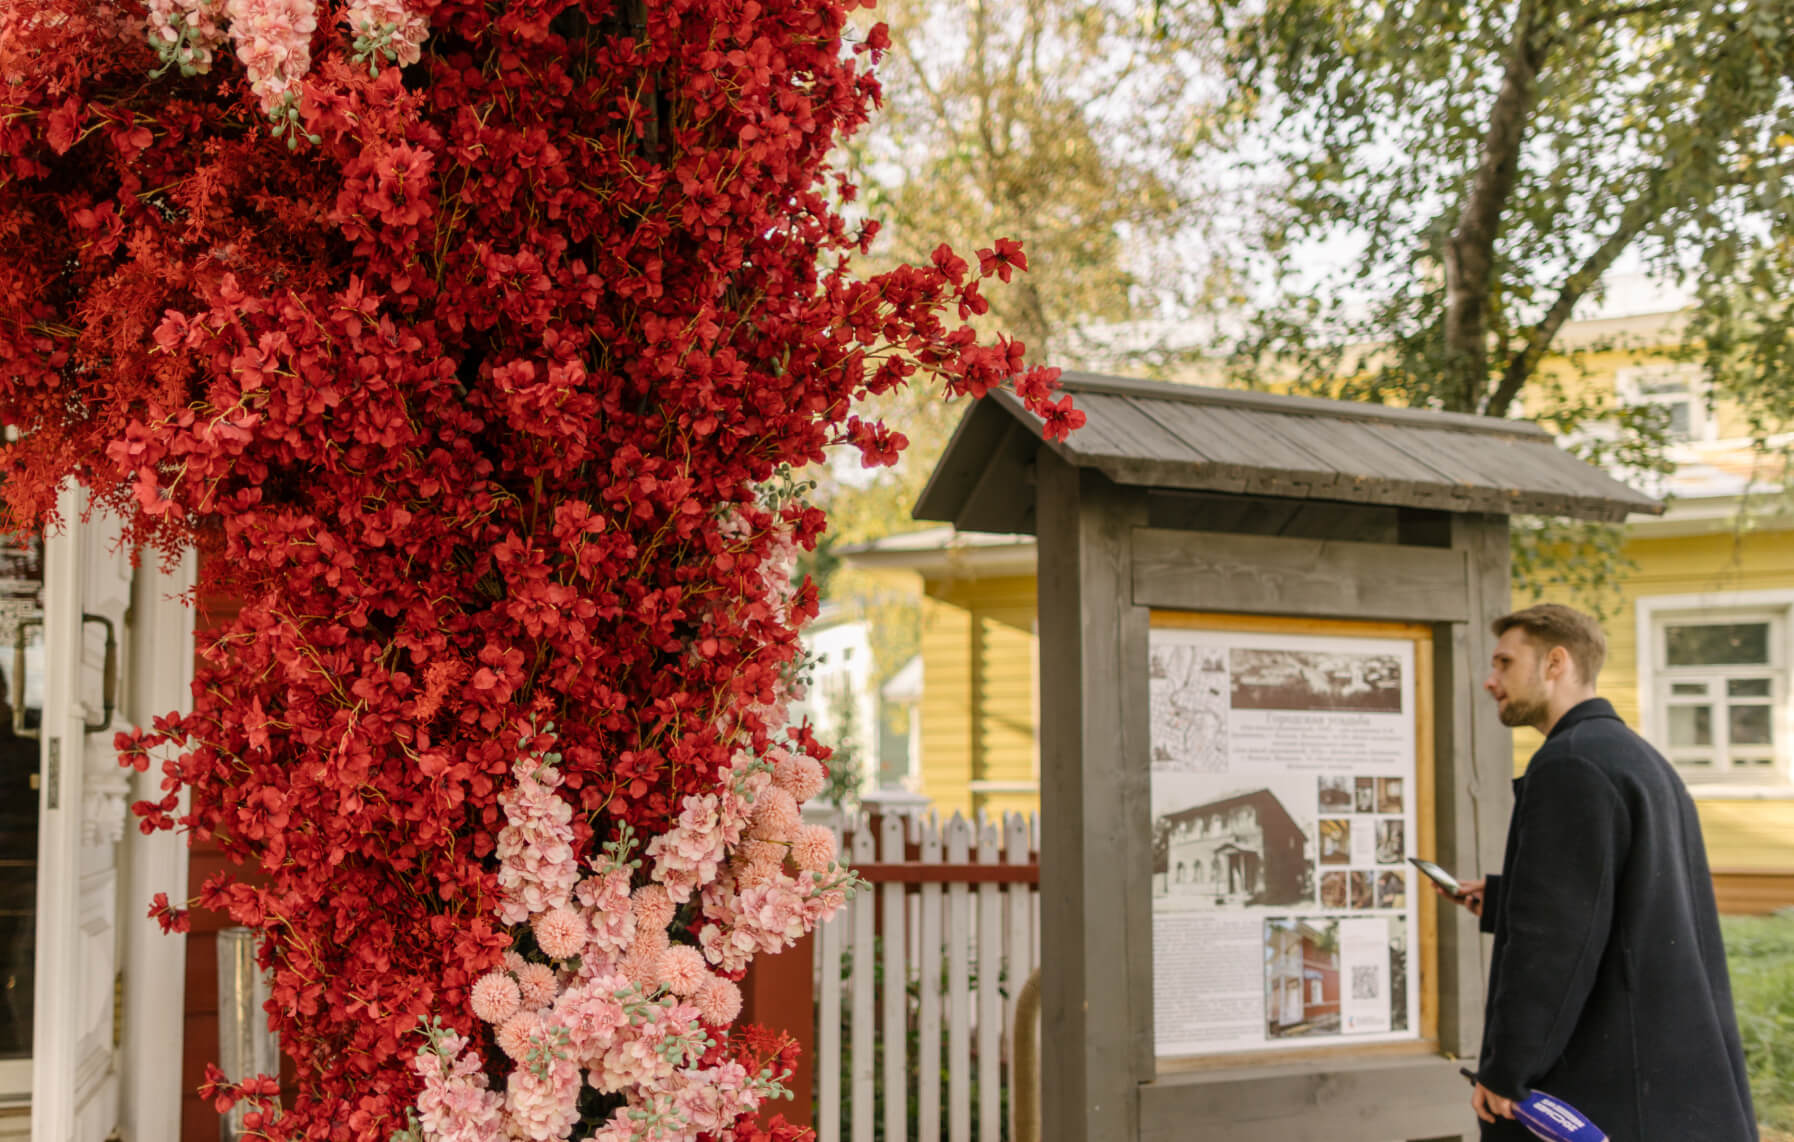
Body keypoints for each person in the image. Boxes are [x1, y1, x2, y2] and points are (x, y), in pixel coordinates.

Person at [1441, 603, 1756, 1141]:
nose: (1490, 681)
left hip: (1605, 1091)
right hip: (1667, 1079)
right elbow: (1636, 897)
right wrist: (1503, 899)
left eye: (1504, 663)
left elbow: (1552, 941)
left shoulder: (1570, 765)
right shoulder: (1638, 757)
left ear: (1556, 662)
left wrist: (1507, 1071)